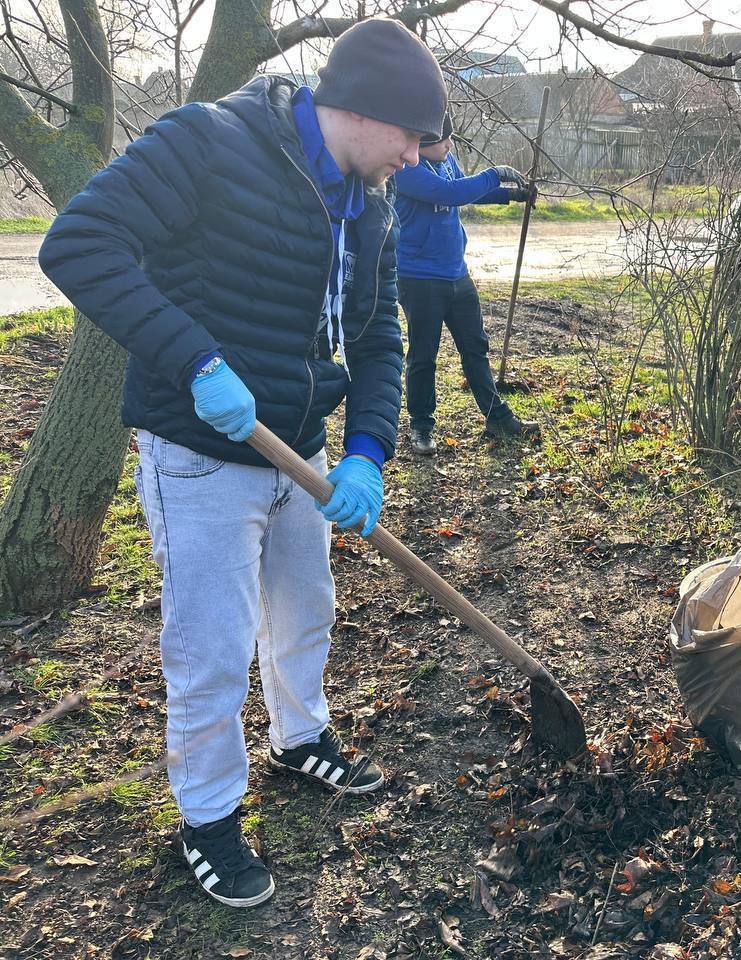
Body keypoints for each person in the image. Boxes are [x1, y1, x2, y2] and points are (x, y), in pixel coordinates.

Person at [38, 19, 446, 907]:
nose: (416, 158)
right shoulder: (208, 142)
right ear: (364, 110)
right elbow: (79, 244)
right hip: (199, 455)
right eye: (412, 136)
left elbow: (378, 334)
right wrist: (194, 359)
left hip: (303, 455)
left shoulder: (366, 206)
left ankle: (300, 739)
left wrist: (369, 453)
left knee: (306, 614)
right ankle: (210, 818)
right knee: (213, 649)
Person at [393, 113, 541, 454]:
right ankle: (421, 427)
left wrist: (511, 194)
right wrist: (494, 174)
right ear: (424, 144)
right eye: (445, 140)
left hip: (456, 273)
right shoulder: (408, 170)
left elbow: (465, 192)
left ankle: (496, 418)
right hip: (419, 278)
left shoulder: (445, 160)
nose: (450, 145)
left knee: (475, 347)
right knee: (423, 355)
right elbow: (449, 192)